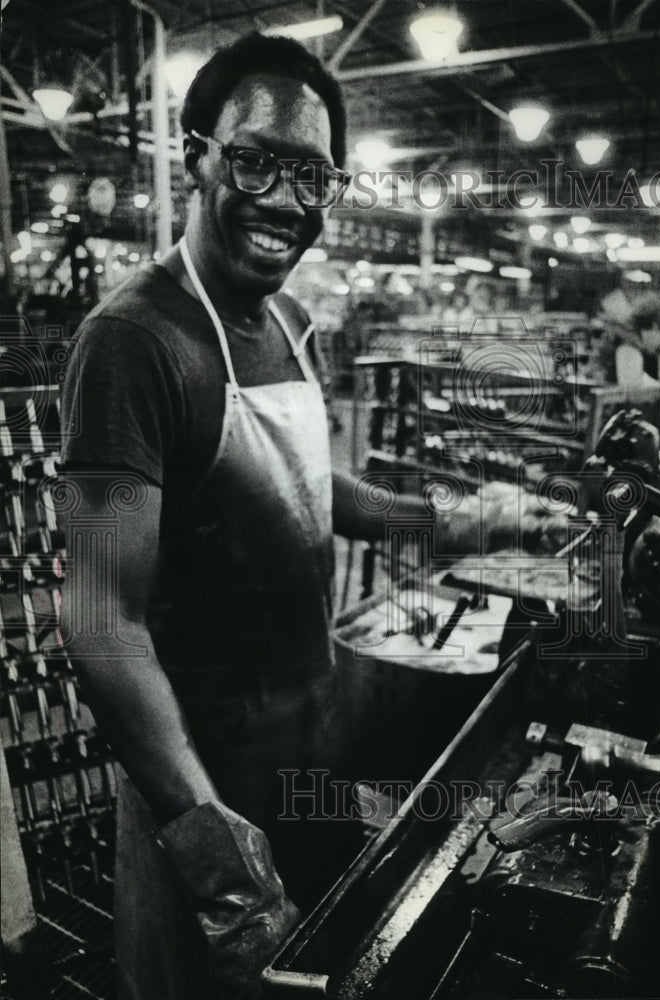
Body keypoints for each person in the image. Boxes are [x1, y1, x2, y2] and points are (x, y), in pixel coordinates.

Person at [58, 33, 531, 1000]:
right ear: (197, 155)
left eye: (311, 174)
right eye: (255, 159)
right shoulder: (131, 345)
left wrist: (452, 522)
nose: (285, 198)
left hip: (302, 762)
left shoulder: (284, 323)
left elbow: (313, 491)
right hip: (198, 790)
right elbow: (98, 621)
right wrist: (209, 848)